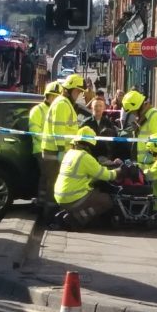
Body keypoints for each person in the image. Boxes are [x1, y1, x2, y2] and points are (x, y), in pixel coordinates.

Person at [53, 126, 121, 229]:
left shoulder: (69, 153)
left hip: (60, 196)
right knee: (106, 200)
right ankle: (76, 219)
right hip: (72, 197)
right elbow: (106, 175)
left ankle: (75, 214)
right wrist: (119, 171)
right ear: (89, 144)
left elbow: (86, 173)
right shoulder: (85, 157)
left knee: (95, 191)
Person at [40, 73, 86, 218]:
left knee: (53, 184)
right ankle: (50, 217)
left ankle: (50, 216)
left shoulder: (63, 103)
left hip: (56, 151)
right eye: (78, 91)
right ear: (70, 89)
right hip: (55, 152)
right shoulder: (62, 104)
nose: (78, 95)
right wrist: (61, 150)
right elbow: (58, 130)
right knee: (54, 185)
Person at [120, 89, 157, 170]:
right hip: (143, 165)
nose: (133, 114)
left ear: (138, 107)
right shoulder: (143, 117)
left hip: (152, 166)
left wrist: (148, 161)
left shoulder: (154, 116)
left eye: (133, 111)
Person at [29, 82, 60, 201]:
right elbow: (35, 131)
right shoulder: (37, 110)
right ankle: (46, 203)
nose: (56, 99)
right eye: (54, 96)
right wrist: (52, 143)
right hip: (41, 149)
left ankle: (42, 201)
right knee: (50, 177)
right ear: (48, 96)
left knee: (47, 177)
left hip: (53, 149)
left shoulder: (56, 109)